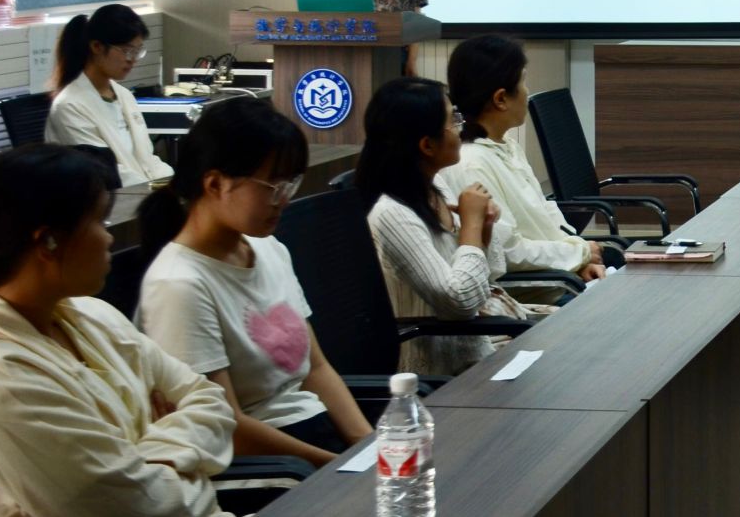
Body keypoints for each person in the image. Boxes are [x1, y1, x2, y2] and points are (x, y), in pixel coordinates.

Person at [0, 145, 240, 517]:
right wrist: (190, 466)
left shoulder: (92, 314)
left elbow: (211, 402)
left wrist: (146, 461)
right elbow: (133, 516)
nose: (110, 237)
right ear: (48, 243)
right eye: (100, 220)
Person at [135, 99, 373, 468]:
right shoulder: (178, 285)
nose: (284, 200)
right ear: (216, 184)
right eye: (272, 186)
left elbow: (315, 368)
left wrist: (370, 448)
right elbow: (224, 426)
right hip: (269, 466)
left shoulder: (269, 249)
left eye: (290, 184)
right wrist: (337, 466)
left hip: (314, 436)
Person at [356, 76, 543, 376]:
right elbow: (459, 301)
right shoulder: (392, 214)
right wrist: (471, 227)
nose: (461, 127)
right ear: (427, 145)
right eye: (453, 120)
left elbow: (491, 274)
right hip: (443, 371)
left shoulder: (435, 186)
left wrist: (484, 228)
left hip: (478, 346)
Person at [441, 35, 605, 287]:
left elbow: (546, 213)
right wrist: (577, 254)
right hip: (540, 292)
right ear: (501, 99)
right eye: (523, 81)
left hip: (562, 276)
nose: (527, 92)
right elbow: (508, 252)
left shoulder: (505, 144)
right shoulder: (471, 164)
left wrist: (580, 258)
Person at [46, 4, 173, 187]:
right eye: (126, 50)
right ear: (97, 47)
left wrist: (172, 184)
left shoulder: (123, 95)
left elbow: (147, 160)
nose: (132, 59)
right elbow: (105, 173)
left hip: (139, 191)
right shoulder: (69, 106)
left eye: (137, 51)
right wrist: (154, 190)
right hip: (108, 198)